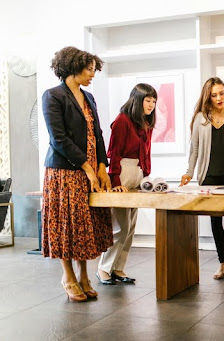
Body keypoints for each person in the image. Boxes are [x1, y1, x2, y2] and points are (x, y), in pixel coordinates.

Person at [41, 46, 121, 302]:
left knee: (86, 227)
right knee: (67, 226)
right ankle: (68, 276)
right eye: (89, 70)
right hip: (64, 172)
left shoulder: (89, 98)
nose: (92, 75)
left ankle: (84, 274)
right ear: (73, 67)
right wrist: (86, 166)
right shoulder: (52, 96)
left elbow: (97, 135)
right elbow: (58, 138)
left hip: (89, 173)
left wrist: (101, 166)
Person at [180, 77, 224, 282]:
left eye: (222, 93)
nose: (219, 98)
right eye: (214, 95)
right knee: (215, 220)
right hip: (208, 176)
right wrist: (189, 172)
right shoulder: (201, 117)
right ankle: (222, 262)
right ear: (208, 97)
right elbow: (195, 149)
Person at [97, 83, 157, 285]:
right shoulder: (122, 120)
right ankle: (104, 269)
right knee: (120, 227)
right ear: (137, 100)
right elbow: (114, 153)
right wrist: (114, 181)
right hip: (121, 173)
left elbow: (146, 154)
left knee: (131, 227)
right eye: (148, 100)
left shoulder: (146, 123)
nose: (151, 105)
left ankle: (118, 268)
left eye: (154, 101)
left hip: (137, 175)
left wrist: (146, 178)